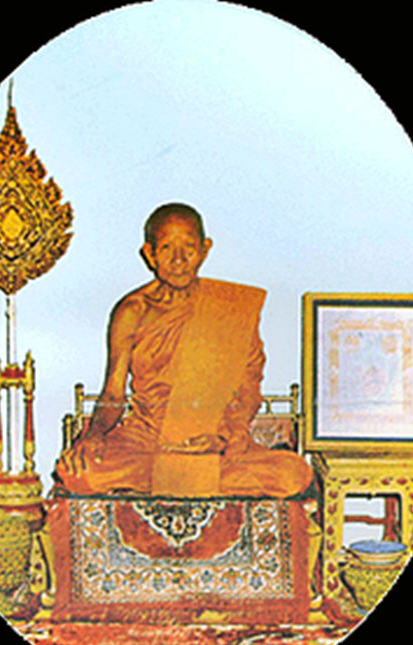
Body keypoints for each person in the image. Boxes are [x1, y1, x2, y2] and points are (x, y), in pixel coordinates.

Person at [54, 203, 313, 498]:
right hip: (145, 440)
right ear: (150, 254)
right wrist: (93, 436)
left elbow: (248, 391)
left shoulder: (231, 308)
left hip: (210, 442)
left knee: (295, 473)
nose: (178, 260)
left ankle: (176, 477)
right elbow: (113, 394)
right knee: (77, 472)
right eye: (166, 248)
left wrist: (225, 438)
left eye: (188, 248)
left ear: (204, 249)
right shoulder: (132, 311)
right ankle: (194, 478)